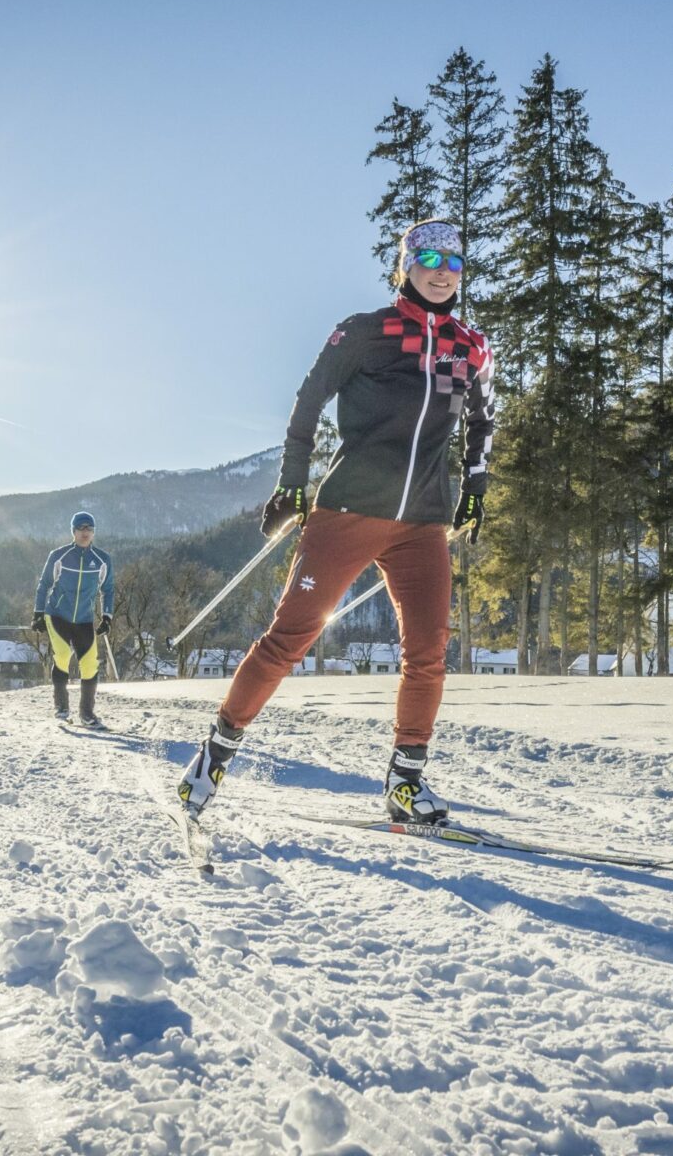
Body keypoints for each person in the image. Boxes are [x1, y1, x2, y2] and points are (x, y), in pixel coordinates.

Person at [179, 218, 495, 824]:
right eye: (426, 258)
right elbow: (308, 399)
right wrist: (291, 482)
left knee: (428, 651)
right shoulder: (366, 332)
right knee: (288, 639)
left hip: (422, 524)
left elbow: (482, 423)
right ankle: (215, 753)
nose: (439, 271)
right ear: (404, 267)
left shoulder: (469, 346)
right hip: (348, 510)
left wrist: (474, 490)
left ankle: (406, 782)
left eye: (453, 262)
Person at [33, 511, 115, 727]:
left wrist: (107, 617)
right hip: (58, 615)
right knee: (62, 655)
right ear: (74, 531)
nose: (85, 532)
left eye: (89, 528)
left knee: (90, 665)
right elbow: (44, 584)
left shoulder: (102, 560)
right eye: (81, 528)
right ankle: (61, 707)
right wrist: (38, 613)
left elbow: (108, 590)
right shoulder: (59, 555)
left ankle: (87, 714)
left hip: (84, 619)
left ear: (93, 532)